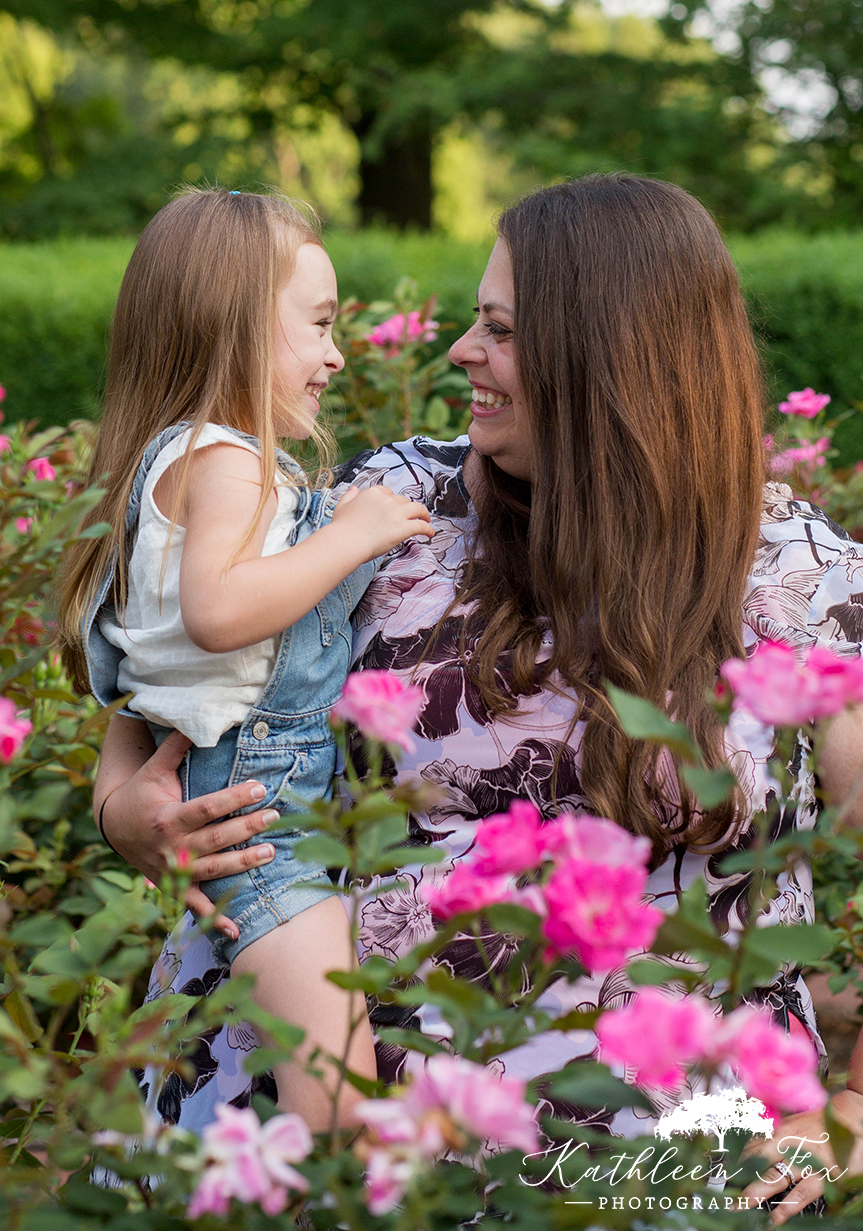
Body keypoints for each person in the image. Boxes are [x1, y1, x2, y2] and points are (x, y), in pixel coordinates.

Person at [91, 175, 863, 1221]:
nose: (457, 350)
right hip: (281, 1123)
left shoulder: (795, 581)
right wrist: (123, 803)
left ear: (607, 360)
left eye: (497, 330)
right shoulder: (393, 504)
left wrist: (842, 1112)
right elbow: (180, 659)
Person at [56, 188, 434, 1132]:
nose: (336, 355)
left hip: (257, 800)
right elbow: (221, 615)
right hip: (263, 818)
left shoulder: (174, 461)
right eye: (317, 326)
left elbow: (173, 664)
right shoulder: (225, 461)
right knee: (338, 1097)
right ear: (233, 330)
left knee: (327, 1078)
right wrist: (352, 538)